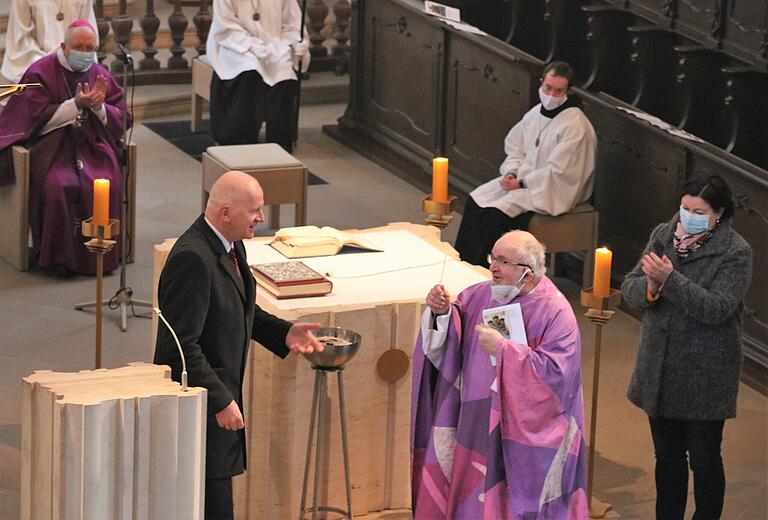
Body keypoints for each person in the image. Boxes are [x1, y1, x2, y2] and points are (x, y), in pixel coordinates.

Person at [153, 170, 323, 519]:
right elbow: (179, 348)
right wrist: (221, 399)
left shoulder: (229, 244)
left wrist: (283, 333)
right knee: (208, 507)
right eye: (254, 211)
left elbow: (238, 308)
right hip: (197, 409)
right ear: (226, 212)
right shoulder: (194, 258)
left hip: (214, 406)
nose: (261, 218)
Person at [411, 230, 587, 519]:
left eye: (504, 261)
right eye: (494, 257)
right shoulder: (479, 294)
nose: (493, 266)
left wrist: (505, 352)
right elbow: (453, 334)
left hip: (525, 434)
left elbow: (558, 376)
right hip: (478, 418)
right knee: (475, 492)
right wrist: (441, 313)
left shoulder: (556, 312)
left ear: (527, 274)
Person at [621, 174, 753, 520]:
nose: (686, 216)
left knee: (705, 459)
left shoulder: (736, 252)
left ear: (719, 213)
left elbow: (716, 309)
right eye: (684, 208)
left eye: (697, 210)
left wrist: (669, 281)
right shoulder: (664, 235)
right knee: (666, 457)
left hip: (705, 373)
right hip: (660, 367)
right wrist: (650, 289)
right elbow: (631, 288)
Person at [0, 20, 127, 276]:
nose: (84, 52)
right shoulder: (40, 72)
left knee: (108, 180)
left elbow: (122, 117)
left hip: (92, 145)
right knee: (59, 185)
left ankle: (99, 257)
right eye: (78, 46)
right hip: (53, 147)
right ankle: (60, 259)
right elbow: (29, 118)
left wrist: (99, 107)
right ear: (63, 46)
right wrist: (75, 105)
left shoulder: (100, 73)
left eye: (89, 47)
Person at [454, 61, 596, 268]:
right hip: (523, 181)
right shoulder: (535, 113)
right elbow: (515, 147)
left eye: (558, 91)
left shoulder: (576, 125)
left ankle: (487, 275)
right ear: (541, 82)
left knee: (495, 215)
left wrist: (521, 183)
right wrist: (511, 173)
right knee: (476, 201)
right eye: (548, 88)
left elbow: (560, 172)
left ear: (567, 91)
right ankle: (463, 267)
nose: (551, 95)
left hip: (553, 190)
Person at [206, 0, 310, 152]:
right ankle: (239, 138)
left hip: (274, 42)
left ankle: (279, 141)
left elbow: (292, 24)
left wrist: (297, 42)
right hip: (235, 46)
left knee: (284, 69)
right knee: (249, 68)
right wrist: (253, 46)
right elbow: (226, 27)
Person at [1, 0, 97, 85]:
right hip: (32, 63)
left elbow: (88, 31)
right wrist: (48, 64)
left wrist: (74, 57)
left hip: (73, 61)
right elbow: (20, 38)